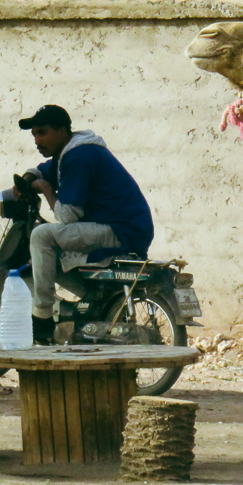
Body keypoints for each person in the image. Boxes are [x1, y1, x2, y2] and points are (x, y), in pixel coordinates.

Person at [17, 104, 154, 344]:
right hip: (123, 227)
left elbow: (67, 216)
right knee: (46, 253)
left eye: (43, 132)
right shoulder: (69, 152)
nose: (37, 140)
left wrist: (46, 190)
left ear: (62, 131)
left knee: (41, 237)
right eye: (34, 135)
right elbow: (42, 170)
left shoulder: (79, 156)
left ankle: (42, 317)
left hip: (121, 229)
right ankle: (92, 298)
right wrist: (27, 181)